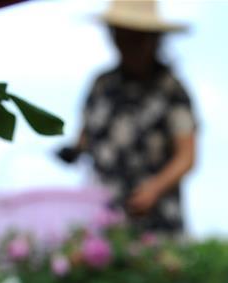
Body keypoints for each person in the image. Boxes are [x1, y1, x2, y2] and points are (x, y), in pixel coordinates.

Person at [57, 0, 197, 235]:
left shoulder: (171, 90)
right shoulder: (102, 85)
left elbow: (187, 157)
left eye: (136, 37)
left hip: (157, 222)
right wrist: (73, 151)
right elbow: (85, 137)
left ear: (154, 39)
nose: (128, 44)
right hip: (103, 216)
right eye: (122, 36)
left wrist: (154, 189)